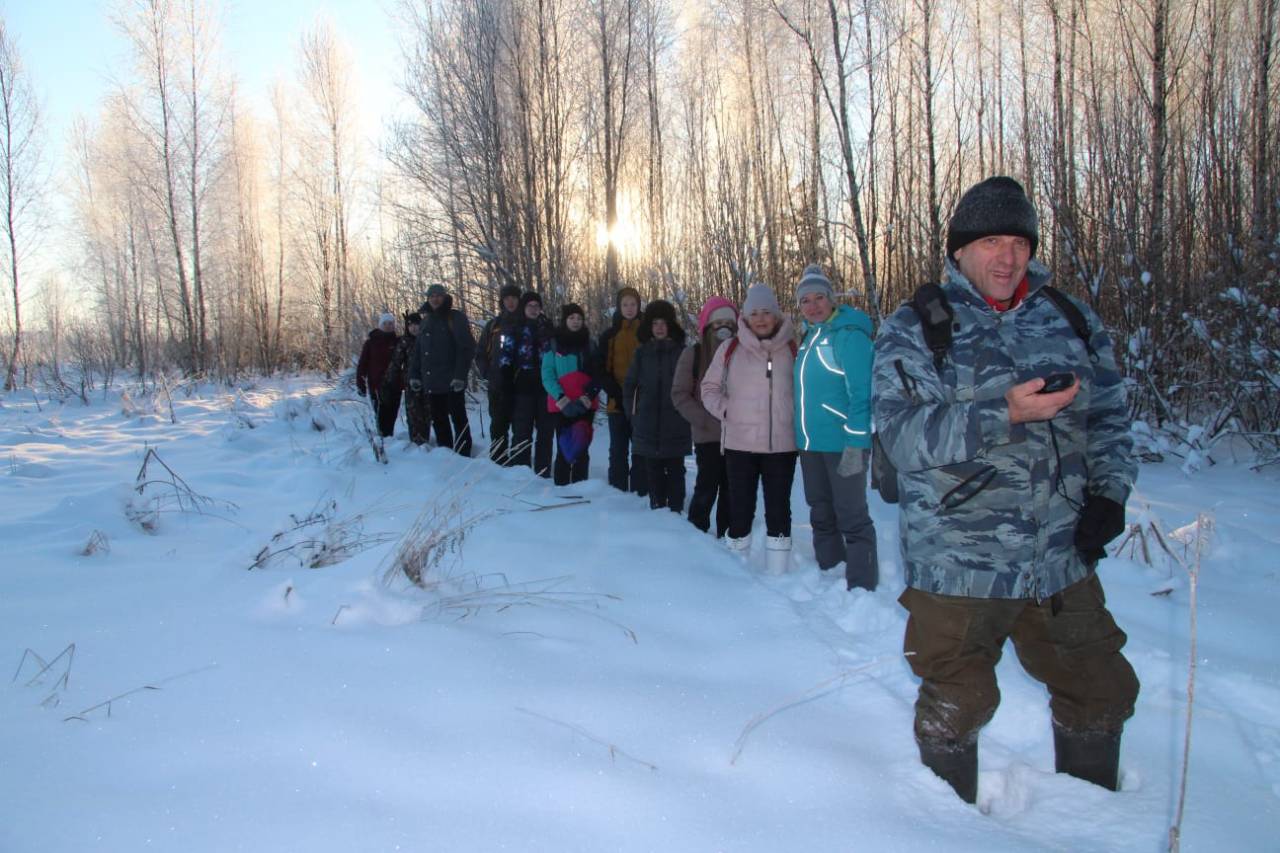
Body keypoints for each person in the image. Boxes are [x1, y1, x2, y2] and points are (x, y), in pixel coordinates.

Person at [873, 176, 1139, 804]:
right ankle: (944, 830)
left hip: (1059, 554)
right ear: (960, 250)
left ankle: (1092, 823)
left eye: (1018, 241)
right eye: (990, 241)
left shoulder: (1068, 317)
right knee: (957, 704)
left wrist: (1110, 494)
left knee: (1100, 686)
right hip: (960, 562)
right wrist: (1004, 413)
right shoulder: (918, 327)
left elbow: (1110, 419)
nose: (1007, 256)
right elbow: (903, 440)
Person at [700, 284, 797, 573]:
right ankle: (738, 575)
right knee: (740, 509)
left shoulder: (793, 348)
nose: (761, 318)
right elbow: (709, 389)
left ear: (776, 315)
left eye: (767, 312)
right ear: (745, 316)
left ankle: (778, 574)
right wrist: (727, 410)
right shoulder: (730, 349)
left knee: (779, 510)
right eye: (754, 313)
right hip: (739, 445)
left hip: (782, 445)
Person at [793, 265, 878, 591]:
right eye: (805, 301)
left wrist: (857, 443)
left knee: (852, 516)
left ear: (832, 300)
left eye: (819, 298)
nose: (813, 306)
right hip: (811, 444)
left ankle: (862, 586)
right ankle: (830, 570)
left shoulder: (849, 337)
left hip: (846, 444)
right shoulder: (808, 338)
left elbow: (862, 393)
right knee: (820, 511)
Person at [672, 296, 737, 538]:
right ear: (707, 325)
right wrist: (702, 420)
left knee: (732, 491)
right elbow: (679, 394)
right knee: (707, 488)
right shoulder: (694, 354)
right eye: (718, 322)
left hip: (738, 435)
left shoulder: (742, 352)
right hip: (707, 436)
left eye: (729, 322)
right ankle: (696, 538)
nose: (723, 328)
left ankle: (729, 539)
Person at [623, 299, 691, 512]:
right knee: (653, 473)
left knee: (676, 472)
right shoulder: (641, 353)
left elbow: (692, 386)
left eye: (663, 323)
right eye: (655, 323)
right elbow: (629, 386)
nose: (659, 328)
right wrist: (633, 415)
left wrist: (687, 415)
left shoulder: (683, 352)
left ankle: (677, 514)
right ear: (649, 327)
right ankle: (657, 514)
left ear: (670, 325)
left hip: (676, 424)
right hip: (647, 424)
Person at [410, 283, 475, 456]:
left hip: (452, 381)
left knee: (458, 418)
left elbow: (466, 348)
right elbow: (418, 351)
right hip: (431, 381)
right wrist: (414, 375)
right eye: (432, 296)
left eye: (439, 295)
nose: (435, 299)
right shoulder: (425, 321)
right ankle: (445, 454)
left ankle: (463, 455)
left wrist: (460, 375)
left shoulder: (455, 318)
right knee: (439, 420)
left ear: (445, 297)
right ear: (428, 299)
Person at [595, 286, 648, 497]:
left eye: (633, 304)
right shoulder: (609, 335)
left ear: (638, 306)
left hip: (642, 403)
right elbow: (601, 370)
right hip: (616, 402)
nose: (629, 308)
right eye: (625, 304)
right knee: (618, 450)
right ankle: (617, 494)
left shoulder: (647, 333)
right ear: (619, 306)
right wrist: (616, 392)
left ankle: (640, 493)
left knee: (640, 450)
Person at [542, 303, 598, 485]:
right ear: (565, 320)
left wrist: (588, 396)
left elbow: (599, 373)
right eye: (572, 318)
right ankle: (561, 487)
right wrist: (561, 398)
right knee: (564, 447)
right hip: (562, 405)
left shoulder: (590, 344)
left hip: (585, 404)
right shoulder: (554, 344)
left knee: (582, 447)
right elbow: (547, 374)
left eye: (579, 318)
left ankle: (582, 487)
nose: (576, 321)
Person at [508, 291, 555, 476]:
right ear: (524, 308)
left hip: (546, 388)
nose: (534, 310)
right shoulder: (515, 327)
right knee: (521, 431)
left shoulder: (548, 328)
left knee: (545, 432)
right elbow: (506, 357)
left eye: (537, 306)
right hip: (522, 388)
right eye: (530, 306)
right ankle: (520, 472)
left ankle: (543, 473)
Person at [475, 283, 524, 464]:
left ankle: (520, 465)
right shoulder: (494, 325)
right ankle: (498, 462)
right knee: (498, 425)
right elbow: (480, 353)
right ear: (502, 301)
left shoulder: (526, 322)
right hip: (498, 385)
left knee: (521, 428)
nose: (510, 302)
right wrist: (487, 372)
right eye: (507, 299)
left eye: (514, 298)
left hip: (522, 386)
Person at [383, 311, 430, 445]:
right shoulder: (404, 341)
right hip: (410, 383)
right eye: (410, 325)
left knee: (427, 412)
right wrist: (388, 380)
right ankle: (415, 441)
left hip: (428, 382)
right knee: (413, 413)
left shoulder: (427, 339)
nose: (414, 328)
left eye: (416, 325)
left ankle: (426, 440)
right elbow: (396, 362)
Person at [356, 313, 400, 438]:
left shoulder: (398, 342)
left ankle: (390, 437)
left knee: (392, 414)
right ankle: (383, 439)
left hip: (395, 384)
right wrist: (360, 383)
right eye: (385, 323)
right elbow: (362, 364)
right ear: (380, 325)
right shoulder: (371, 343)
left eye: (391, 323)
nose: (388, 326)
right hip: (376, 384)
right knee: (381, 414)